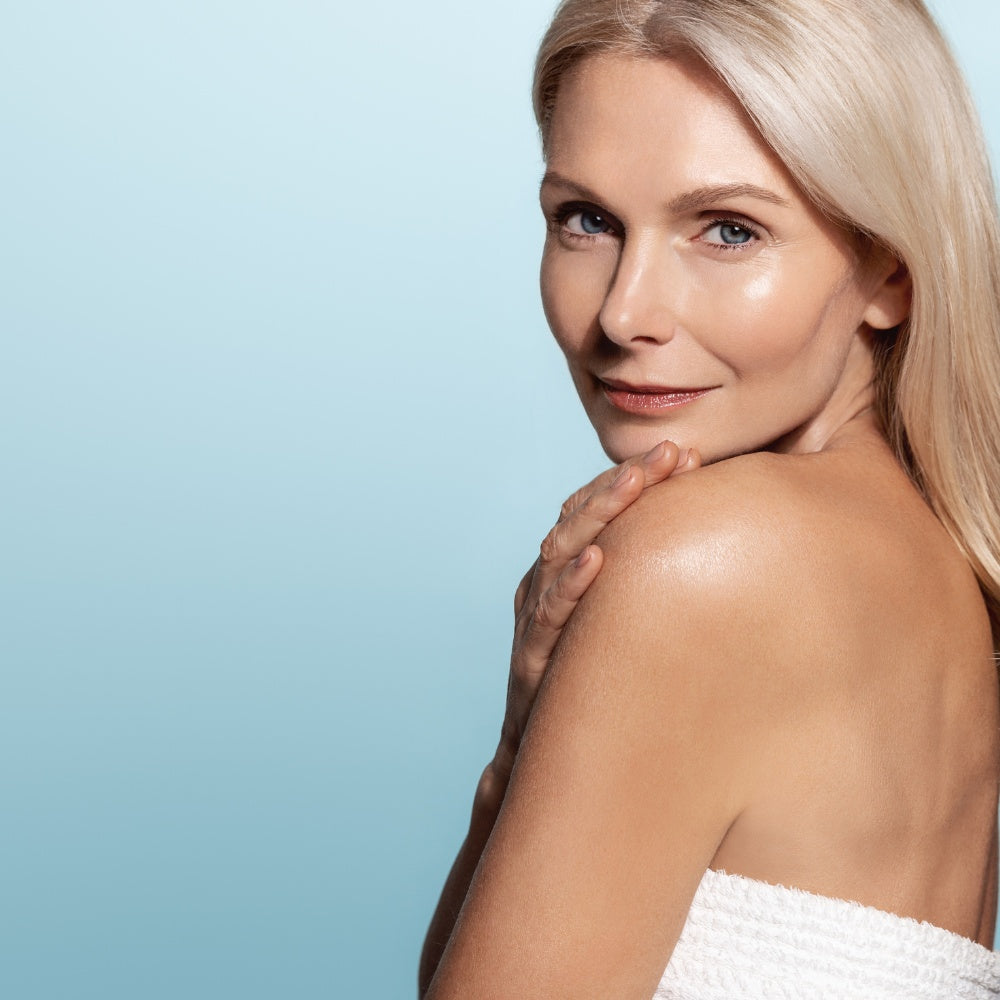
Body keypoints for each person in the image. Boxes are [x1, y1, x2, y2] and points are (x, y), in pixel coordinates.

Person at [420, 0, 1000, 995]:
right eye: (586, 219)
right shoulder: (946, 570)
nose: (623, 311)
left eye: (726, 230)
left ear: (888, 271)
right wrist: (519, 751)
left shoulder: (703, 559)